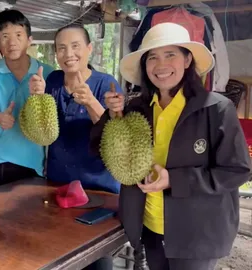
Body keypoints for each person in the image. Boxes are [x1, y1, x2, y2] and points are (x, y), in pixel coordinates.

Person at [91, 22, 251, 270]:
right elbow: (101, 149)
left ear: (187, 60)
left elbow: (237, 170)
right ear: (145, 66)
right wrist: (113, 117)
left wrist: (174, 180)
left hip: (196, 235)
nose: (161, 65)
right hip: (150, 227)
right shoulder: (136, 109)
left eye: (170, 55)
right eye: (152, 57)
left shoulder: (216, 109)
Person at [39, 24, 122, 270]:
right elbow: (45, 128)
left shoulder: (106, 83)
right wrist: (36, 97)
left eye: (75, 46)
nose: (69, 54)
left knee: (96, 259)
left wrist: (92, 103)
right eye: (62, 48)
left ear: (89, 49)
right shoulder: (53, 80)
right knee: (59, 252)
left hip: (99, 190)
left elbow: (115, 135)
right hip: (58, 185)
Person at [0, 9, 54, 190]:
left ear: (29, 40)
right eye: (5, 36)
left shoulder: (49, 74)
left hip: (34, 166)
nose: (12, 42)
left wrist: (41, 97)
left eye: (18, 35)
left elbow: (52, 127)